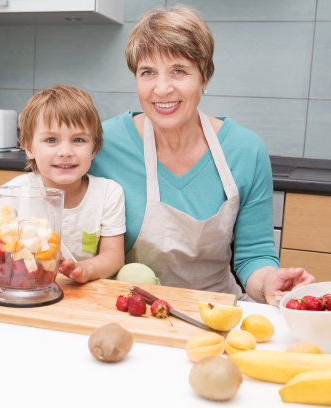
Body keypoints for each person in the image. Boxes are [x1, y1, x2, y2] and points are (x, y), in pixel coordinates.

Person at [89, 4, 316, 305]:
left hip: (215, 311)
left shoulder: (245, 150)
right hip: (130, 310)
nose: (161, 88)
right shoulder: (102, 145)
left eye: (179, 71)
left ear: (205, 77)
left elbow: (255, 255)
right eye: (148, 72)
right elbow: (78, 237)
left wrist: (268, 284)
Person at [0, 84, 126, 283]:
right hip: (28, 288)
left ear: (94, 148)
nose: (66, 152)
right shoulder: (13, 193)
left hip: (86, 295)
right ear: (29, 148)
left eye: (78, 140)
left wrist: (85, 270)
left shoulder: (108, 193)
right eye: (52, 140)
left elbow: (113, 256)